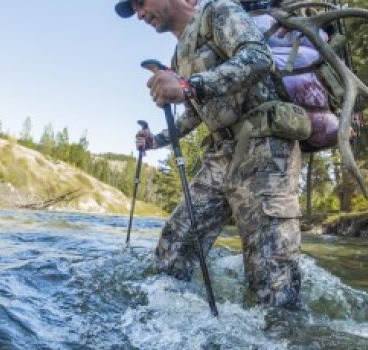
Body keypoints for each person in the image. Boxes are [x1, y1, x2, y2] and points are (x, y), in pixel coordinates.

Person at [115, 0, 304, 308]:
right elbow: (193, 114)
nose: (138, 14)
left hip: (266, 146)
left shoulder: (219, 11)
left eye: (141, 2)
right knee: (175, 245)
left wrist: (189, 85)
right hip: (222, 155)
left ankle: (285, 335)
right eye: (133, 9)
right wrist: (155, 141)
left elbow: (258, 58)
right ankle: (174, 319)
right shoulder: (179, 53)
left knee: (272, 278)